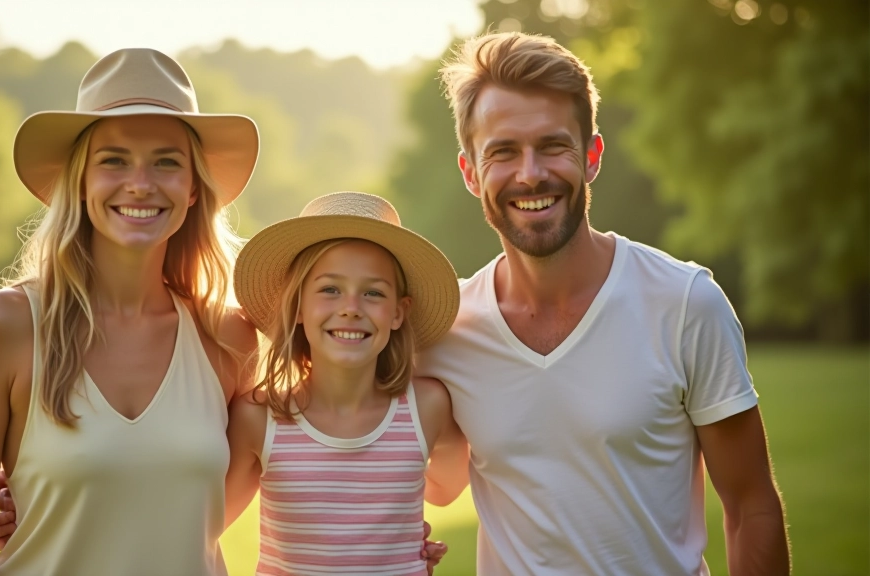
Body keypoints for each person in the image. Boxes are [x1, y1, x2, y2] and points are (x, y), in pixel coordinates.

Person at [419, 32, 791, 575]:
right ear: (471, 172)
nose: (530, 174)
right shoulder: (446, 327)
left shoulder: (686, 304)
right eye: (503, 151)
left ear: (591, 156)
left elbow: (751, 505)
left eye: (553, 146)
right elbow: (431, 482)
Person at [0, 48, 261, 576]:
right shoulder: (2, 328)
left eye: (166, 161)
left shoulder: (229, 336)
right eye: (114, 160)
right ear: (80, 181)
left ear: (193, 188)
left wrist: (397, 536)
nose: (140, 183)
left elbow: (297, 455)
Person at [222, 191, 468, 575]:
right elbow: (206, 526)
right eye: (330, 289)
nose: (351, 307)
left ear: (399, 313)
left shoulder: (428, 408)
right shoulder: (259, 416)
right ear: (298, 306)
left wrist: (395, 532)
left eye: (373, 292)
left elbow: (444, 489)